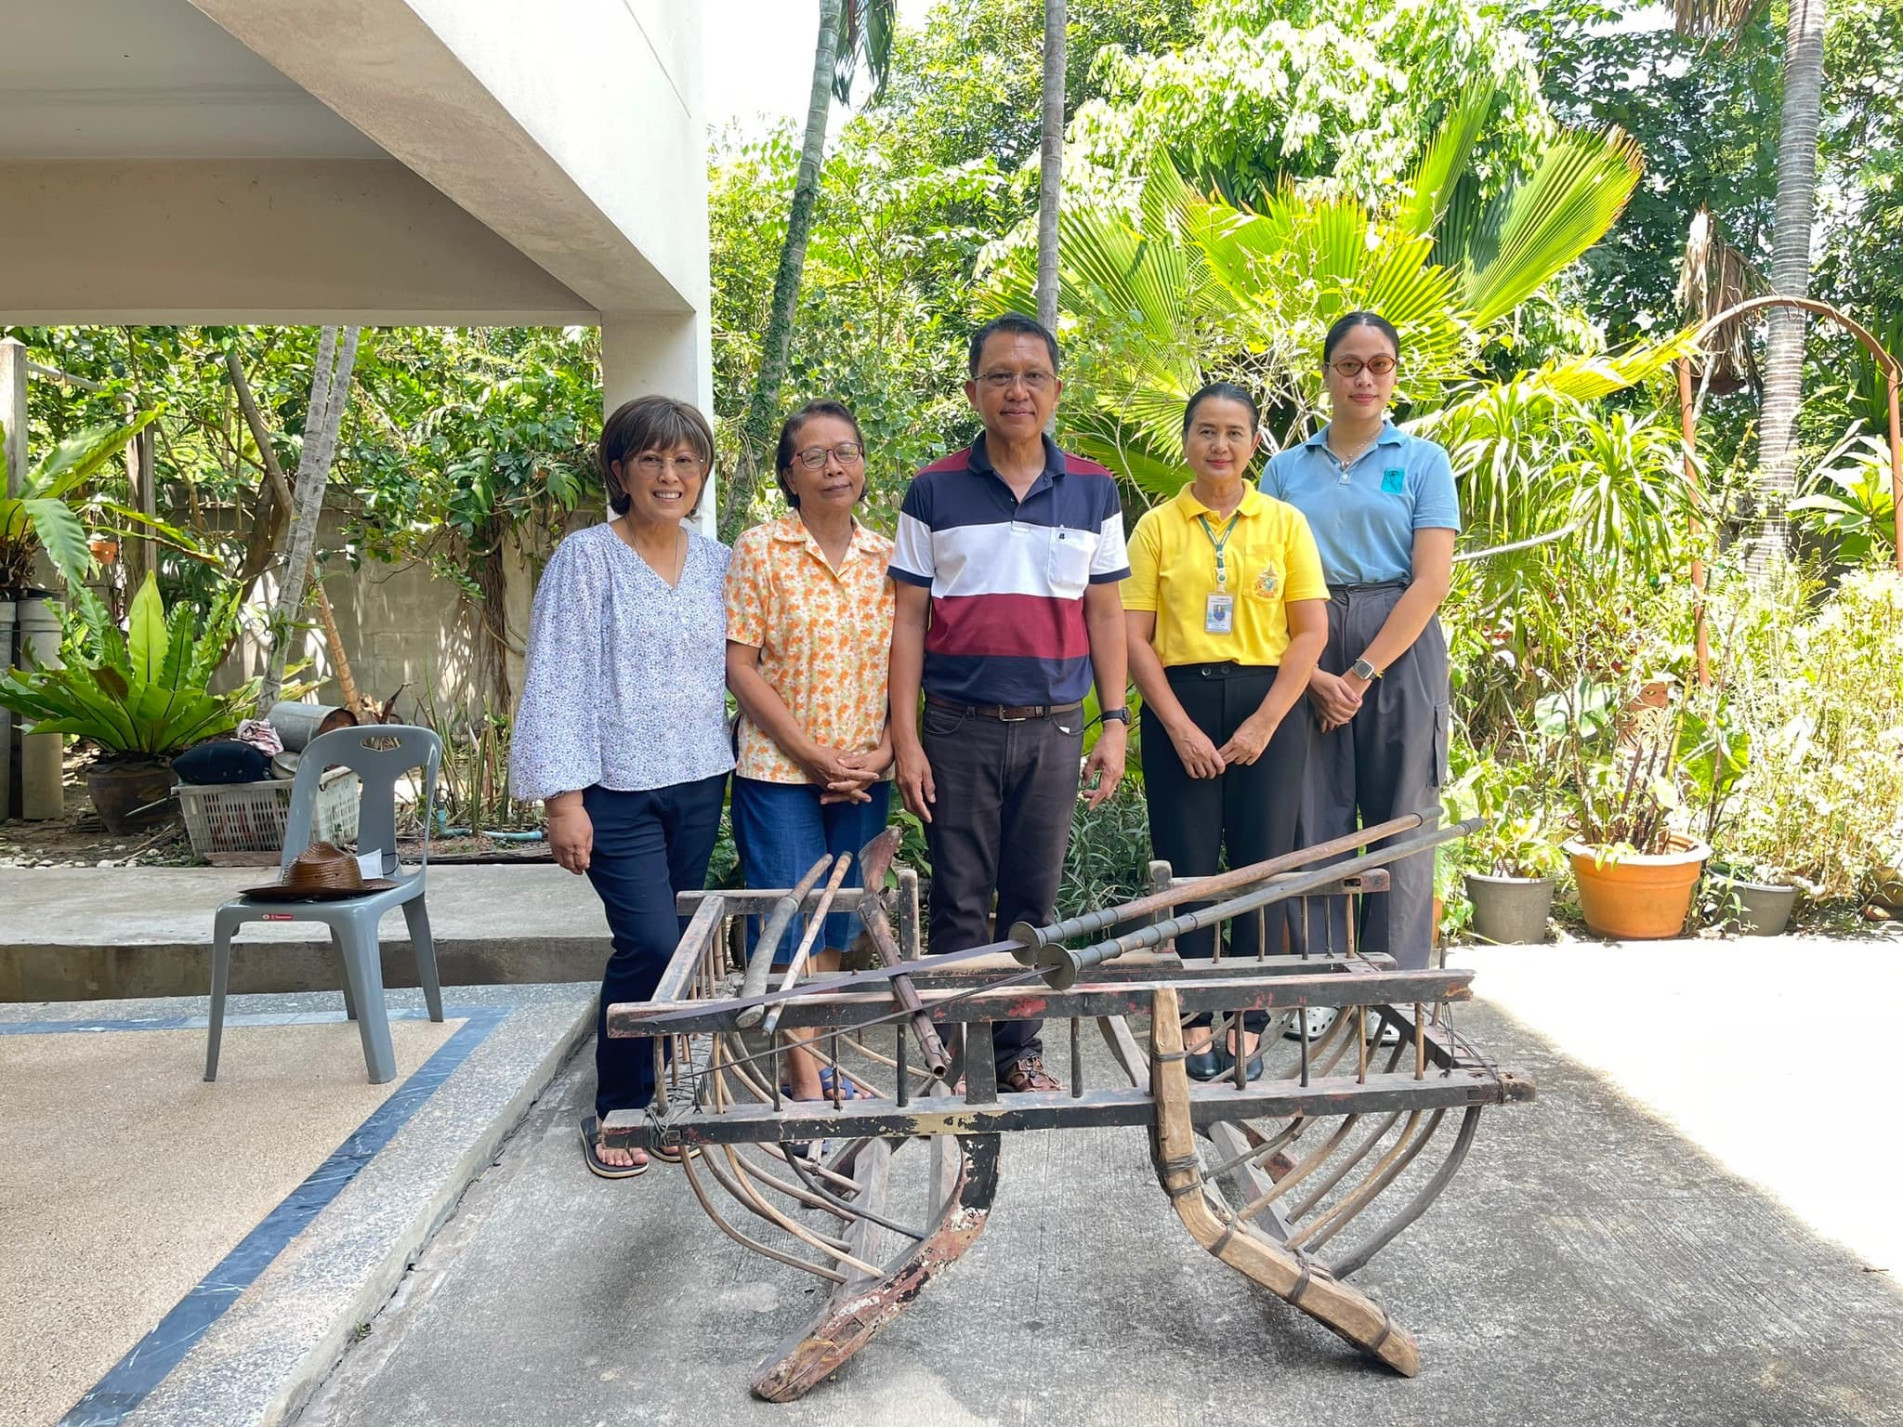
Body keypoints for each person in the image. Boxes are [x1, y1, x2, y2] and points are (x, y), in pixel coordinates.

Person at [888, 312, 1130, 1094]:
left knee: (1034, 900)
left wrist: (1114, 721)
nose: (1016, 390)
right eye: (999, 376)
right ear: (972, 391)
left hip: (1057, 727)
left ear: (1056, 389)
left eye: (1032, 376)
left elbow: (1104, 611)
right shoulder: (933, 489)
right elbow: (909, 619)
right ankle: (957, 1057)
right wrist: (907, 739)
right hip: (956, 725)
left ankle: (1017, 1052)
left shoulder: (1094, 489)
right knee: (959, 901)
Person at [510, 395, 732, 1179]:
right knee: (649, 941)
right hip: (614, 790)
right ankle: (620, 1102)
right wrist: (561, 800)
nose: (669, 475)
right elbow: (557, 679)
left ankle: (666, 1089)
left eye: (684, 461)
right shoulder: (586, 559)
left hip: (701, 779)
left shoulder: (720, 563)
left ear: (702, 474)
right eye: (651, 460)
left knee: (677, 950)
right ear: (619, 471)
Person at [1124, 383, 1328, 1080]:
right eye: (1206, 431)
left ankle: (1247, 1016)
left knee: (1258, 864)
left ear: (1252, 444)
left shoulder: (1283, 523)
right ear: (1185, 441)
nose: (1219, 445)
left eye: (1234, 433)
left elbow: (1309, 632)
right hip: (1178, 701)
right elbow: (1134, 638)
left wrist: (1265, 722)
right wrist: (1176, 726)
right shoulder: (1155, 526)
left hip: (1265, 701)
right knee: (1186, 869)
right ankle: (1192, 1018)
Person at [1263, 311, 1459, 986]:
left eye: (1379, 363)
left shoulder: (1423, 461)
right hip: (1304, 634)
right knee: (1309, 816)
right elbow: (1268, 578)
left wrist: (1361, 671)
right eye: (1348, 364)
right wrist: (1314, 673)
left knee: (1402, 813)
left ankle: (1394, 985)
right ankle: (1320, 980)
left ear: (1395, 374)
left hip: (1398, 641)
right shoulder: (1285, 468)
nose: (1364, 377)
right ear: (1325, 376)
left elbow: (1430, 578)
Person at [725, 400, 895, 1102]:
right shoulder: (760, 549)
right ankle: (804, 1077)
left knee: (837, 915)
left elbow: (908, 668)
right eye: (816, 456)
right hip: (779, 772)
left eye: (846, 451)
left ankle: (818, 1057)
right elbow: (739, 664)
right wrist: (810, 754)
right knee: (791, 913)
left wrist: (882, 754)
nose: (835, 467)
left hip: (862, 772)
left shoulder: (889, 557)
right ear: (789, 475)